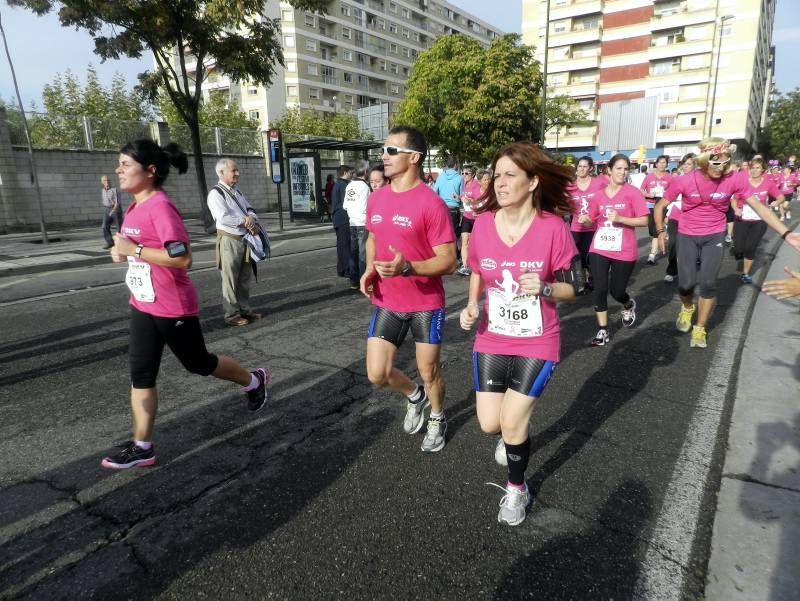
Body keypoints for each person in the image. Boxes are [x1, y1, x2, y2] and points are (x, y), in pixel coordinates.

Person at [102, 139, 270, 469]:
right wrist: (120, 251)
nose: (118, 170)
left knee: (200, 364)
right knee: (141, 375)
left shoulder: (161, 207)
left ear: (150, 171)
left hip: (172, 307)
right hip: (143, 304)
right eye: (118, 163)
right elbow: (131, 247)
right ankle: (142, 446)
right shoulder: (134, 207)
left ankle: (254, 381)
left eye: (125, 164)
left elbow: (183, 259)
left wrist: (133, 251)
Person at [459, 142, 580, 526]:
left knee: (512, 422)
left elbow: (575, 287)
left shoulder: (553, 229)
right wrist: (471, 304)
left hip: (537, 339)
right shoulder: (482, 226)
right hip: (491, 336)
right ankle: (511, 435)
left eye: (510, 174)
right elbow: (478, 270)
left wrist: (544, 288)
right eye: (497, 174)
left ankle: (516, 489)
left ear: (533, 182)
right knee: (489, 424)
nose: (500, 182)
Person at [360, 126, 457, 453]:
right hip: (388, 300)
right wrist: (370, 268)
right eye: (383, 150)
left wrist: (410, 267)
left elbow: (449, 261)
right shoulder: (376, 198)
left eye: (391, 151)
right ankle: (414, 396)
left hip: (425, 303)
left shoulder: (432, 204)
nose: (383, 157)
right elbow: (373, 237)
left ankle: (438, 415)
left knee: (430, 371)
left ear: (413, 157)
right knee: (377, 373)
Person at [654, 138, 800, 349]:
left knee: (708, 283)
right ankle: (687, 307)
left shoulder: (735, 179)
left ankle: (700, 327)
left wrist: (786, 234)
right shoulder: (684, 180)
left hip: (714, 235)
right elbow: (659, 207)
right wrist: (660, 232)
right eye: (716, 163)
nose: (721, 169)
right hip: (687, 234)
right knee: (685, 284)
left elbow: (760, 208)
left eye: (725, 163)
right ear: (704, 161)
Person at [577, 154, 649, 346]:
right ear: (609, 170)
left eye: (626, 169)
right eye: (618, 168)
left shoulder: (632, 192)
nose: (623, 172)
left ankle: (628, 304)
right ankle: (602, 330)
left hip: (624, 249)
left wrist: (621, 218)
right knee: (599, 289)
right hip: (600, 247)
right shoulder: (599, 195)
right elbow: (592, 218)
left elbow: (644, 220)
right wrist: (586, 220)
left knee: (617, 291)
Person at [207, 158, 262, 327]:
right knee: (230, 279)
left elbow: (250, 208)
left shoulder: (237, 191)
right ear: (221, 173)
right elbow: (223, 217)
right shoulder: (216, 193)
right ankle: (231, 314)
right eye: (233, 170)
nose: (237, 173)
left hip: (244, 239)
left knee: (245, 277)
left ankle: (244, 308)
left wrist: (251, 218)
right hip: (229, 240)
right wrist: (245, 220)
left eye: (237, 170)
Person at [731, 157, 785, 284]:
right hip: (742, 218)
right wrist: (736, 209)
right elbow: (733, 199)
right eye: (752, 168)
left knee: (751, 247)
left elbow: (781, 197)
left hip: (759, 220)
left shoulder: (768, 183)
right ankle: (739, 251)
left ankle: (745, 274)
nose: (754, 170)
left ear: (763, 170)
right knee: (739, 248)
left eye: (757, 168)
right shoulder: (743, 183)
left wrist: (774, 203)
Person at [568, 156, 605, 294]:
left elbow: (607, 197)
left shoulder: (598, 183)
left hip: (594, 226)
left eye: (585, 166)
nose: (581, 169)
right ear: (576, 168)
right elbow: (565, 204)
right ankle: (582, 282)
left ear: (590, 168)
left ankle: (593, 278)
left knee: (590, 254)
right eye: (579, 166)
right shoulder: (570, 186)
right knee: (578, 256)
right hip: (576, 227)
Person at [663, 153, 696, 283]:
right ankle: (671, 270)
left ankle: (687, 268)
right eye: (684, 164)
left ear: (695, 165)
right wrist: (666, 214)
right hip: (675, 215)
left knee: (688, 246)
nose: (686, 167)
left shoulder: (699, 181)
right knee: (672, 243)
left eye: (689, 164)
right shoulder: (676, 180)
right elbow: (667, 199)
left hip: (691, 217)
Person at [343, 162, 371, 290]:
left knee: (353, 253)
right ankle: (363, 281)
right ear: (365, 172)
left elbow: (345, 205)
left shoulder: (349, 185)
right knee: (363, 254)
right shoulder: (364, 187)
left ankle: (353, 281)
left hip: (352, 222)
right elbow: (367, 206)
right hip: (362, 222)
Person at [640, 155, 672, 264]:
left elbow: (674, 192)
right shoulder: (649, 176)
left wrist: (666, 196)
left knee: (655, 231)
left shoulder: (669, 177)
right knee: (651, 229)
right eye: (660, 162)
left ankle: (652, 254)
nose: (662, 164)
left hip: (663, 205)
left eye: (664, 162)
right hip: (650, 205)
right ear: (656, 164)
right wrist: (648, 194)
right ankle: (664, 235)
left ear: (667, 164)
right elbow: (641, 190)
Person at [433, 155, 464, 245]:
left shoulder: (440, 177)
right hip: (454, 210)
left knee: (442, 235)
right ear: (455, 165)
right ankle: (454, 257)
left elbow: (434, 193)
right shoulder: (460, 178)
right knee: (454, 236)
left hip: (441, 209)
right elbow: (462, 196)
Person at [458, 165, 481, 276]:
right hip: (467, 216)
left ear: (473, 175)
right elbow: (463, 198)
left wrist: (470, 201)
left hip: (476, 217)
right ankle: (465, 265)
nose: (464, 175)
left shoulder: (476, 185)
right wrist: (459, 197)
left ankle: (475, 263)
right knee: (464, 240)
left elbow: (479, 201)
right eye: (463, 173)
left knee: (474, 242)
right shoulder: (465, 184)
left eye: (467, 173)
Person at [331, 165, 354, 281]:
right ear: (345, 172)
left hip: (337, 219)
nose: (352, 175)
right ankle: (347, 270)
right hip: (344, 219)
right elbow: (347, 204)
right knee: (346, 246)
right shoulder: (345, 185)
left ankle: (341, 269)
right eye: (350, 172)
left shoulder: (337, 184)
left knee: (341, 245)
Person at [101, 174, 123, 249]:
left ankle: (122, 244)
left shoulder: (114, 190)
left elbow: (117, 202)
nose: (107, 181)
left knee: (119, 228)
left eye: (108, 180)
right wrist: (107, 209)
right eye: (105, 180)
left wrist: (112, 211)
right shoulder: (103, 190)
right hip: (107, 209)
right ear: (102, 182)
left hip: (116, 210)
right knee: (104, 226)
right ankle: (110, 242)